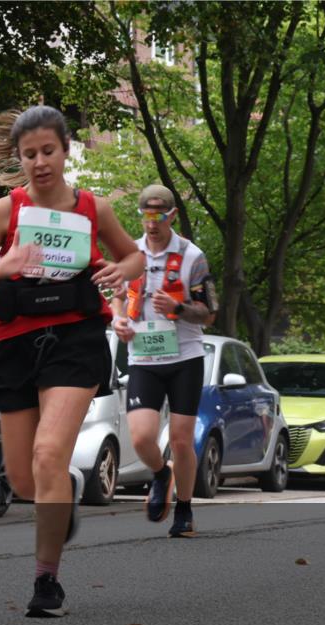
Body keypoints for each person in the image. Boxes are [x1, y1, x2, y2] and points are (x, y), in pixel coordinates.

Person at [0, 106, 144, 617]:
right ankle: (67, 487)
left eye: (48, 151)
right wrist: (0, 269)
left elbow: (134, 257)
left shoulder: (92, 208)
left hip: (75, 339)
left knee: (47, 454)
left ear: (65, 151)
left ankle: (47, 582)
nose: (40, 162)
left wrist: (120, 270)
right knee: (24, 480)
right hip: (14, 344)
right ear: (18, 159)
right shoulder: (3, 212)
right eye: (29, 154)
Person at [110, 185, 218, 538]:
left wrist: (178, 308)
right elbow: (116, 296)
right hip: (143, 357)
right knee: (142, 437)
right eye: (146, 215)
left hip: (185, 356)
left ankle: (184, 510)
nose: (152, 223)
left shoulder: (192, 256)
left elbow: (209, 313)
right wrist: (118, 320)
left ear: (171, 215)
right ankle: (160, 473)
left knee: (181, 439)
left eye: (159, 215)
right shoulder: (130, 254)